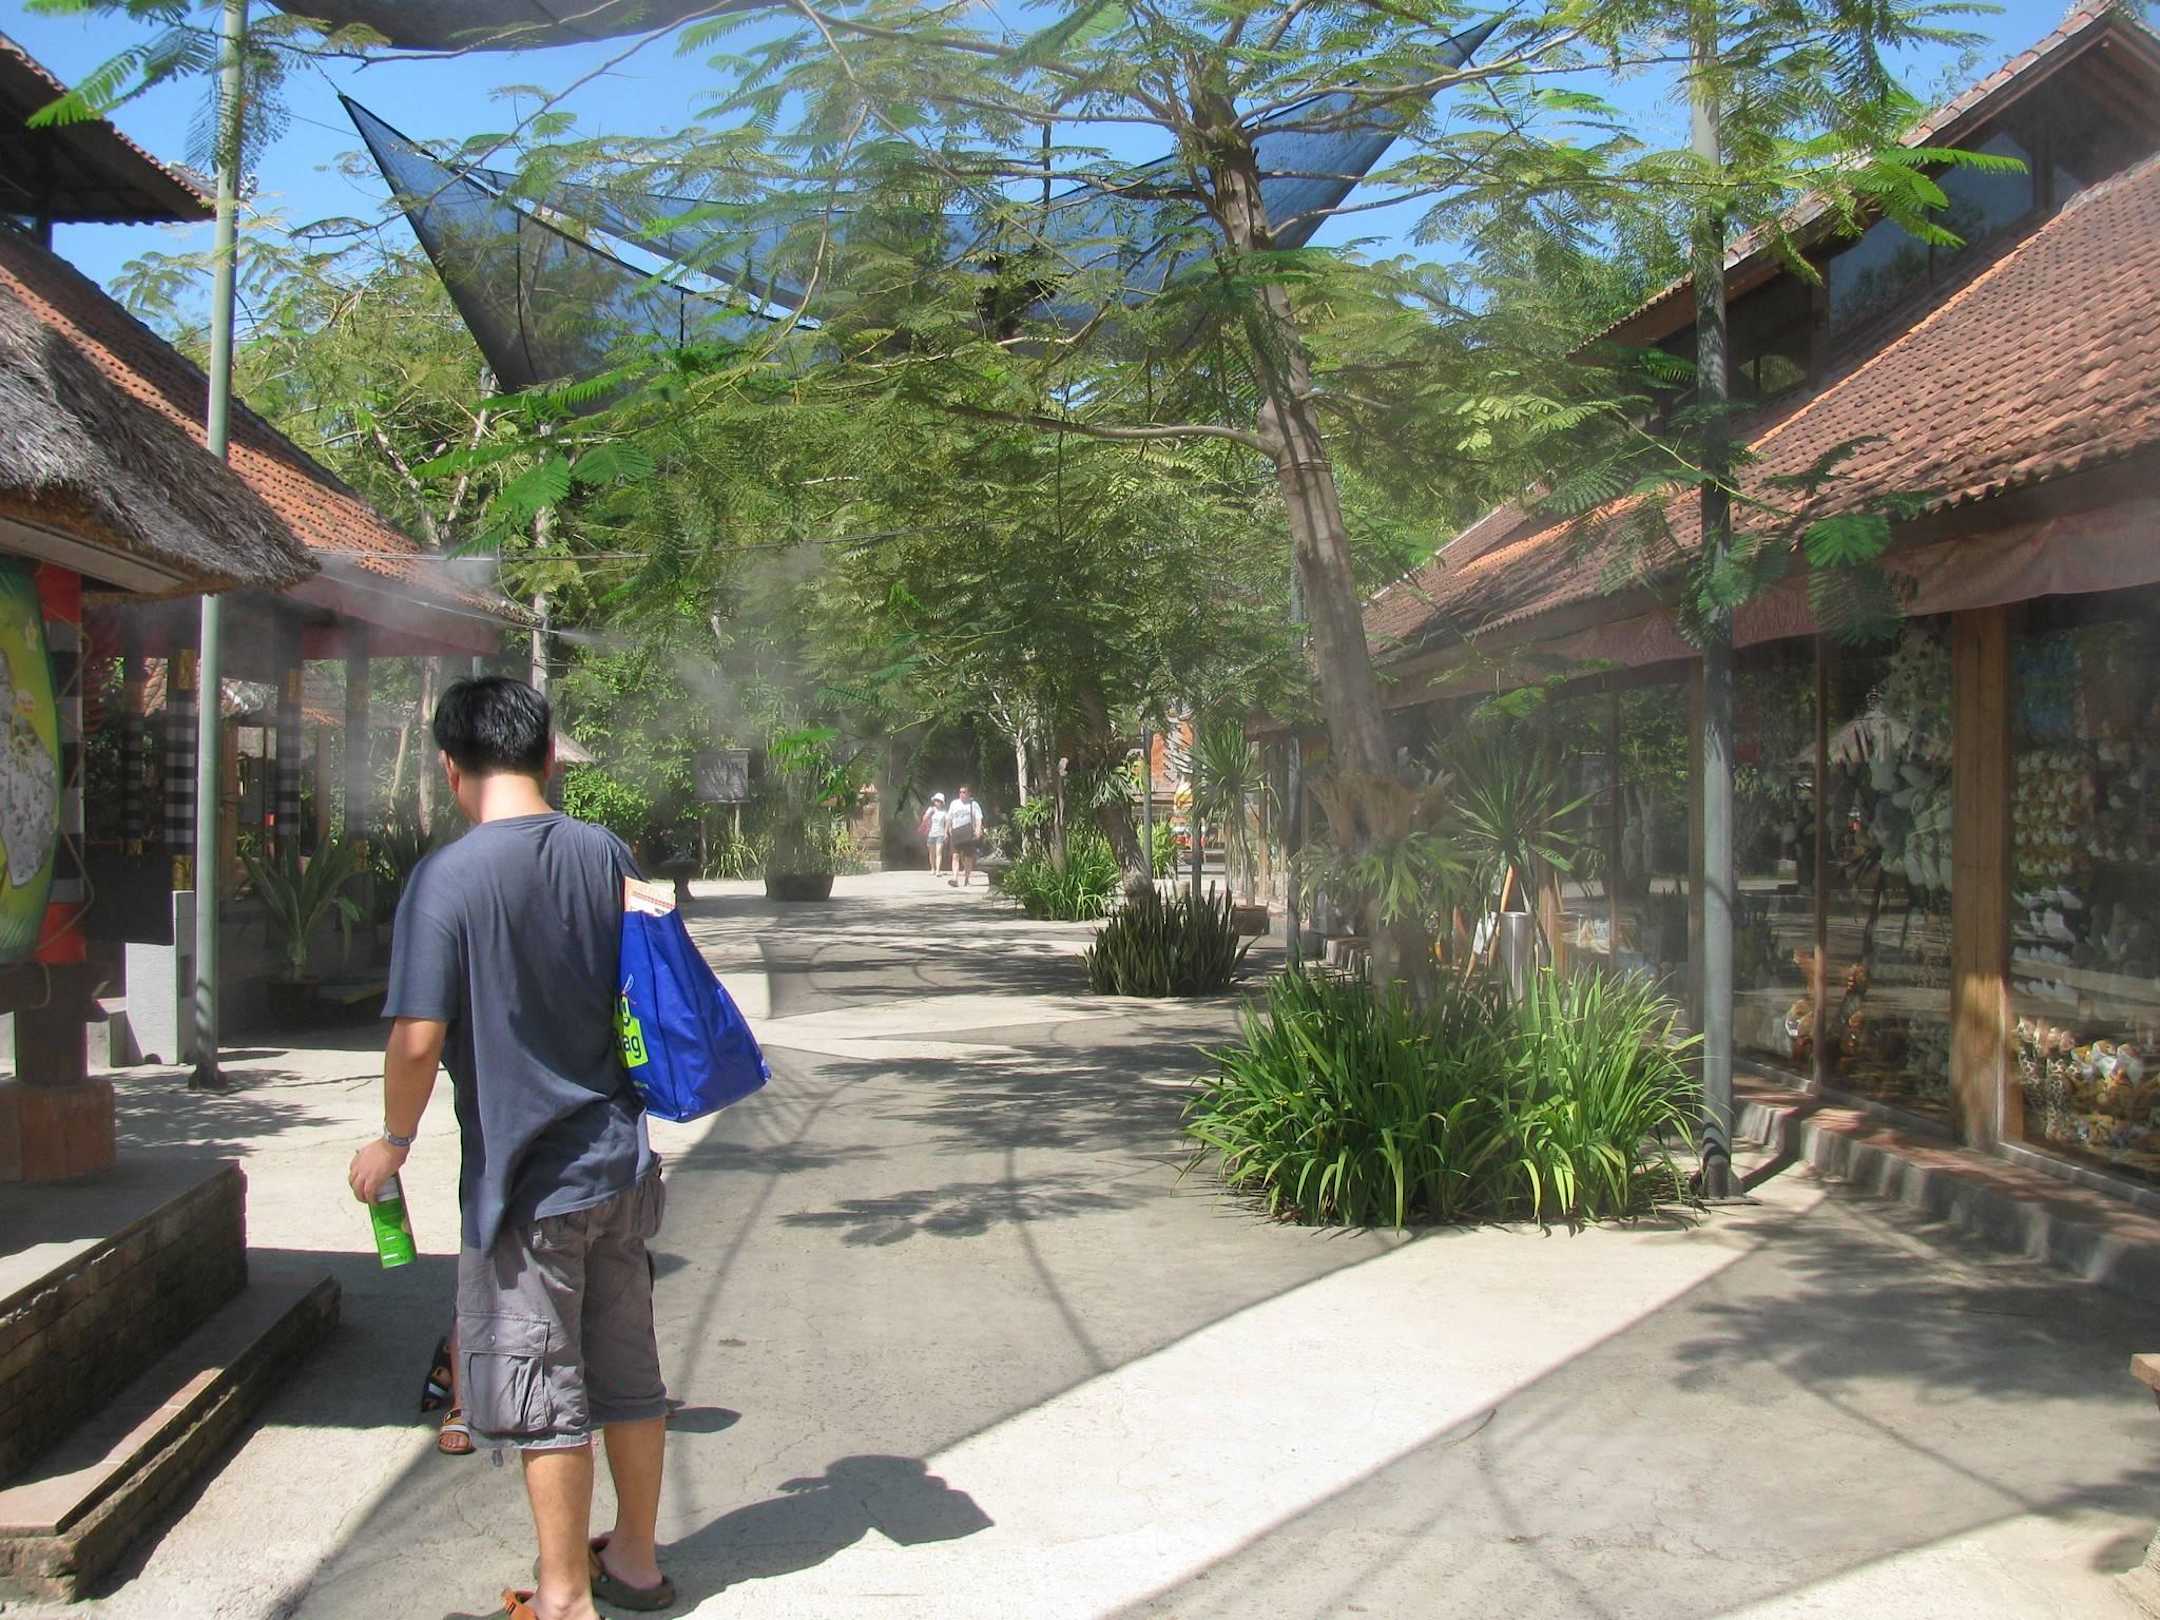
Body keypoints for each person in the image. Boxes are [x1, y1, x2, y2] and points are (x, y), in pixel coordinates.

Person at [347, 676, 675, 1620]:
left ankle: (563, 1597)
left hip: (527, 1186)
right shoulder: (602, 853)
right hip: (620, 1164)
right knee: (629, 1374)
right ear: (546, 758)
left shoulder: (446, 880)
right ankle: (637, 1562)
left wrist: (393, 1141)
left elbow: (417, 1039)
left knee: (546, 1391)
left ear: (451, 767)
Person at [945, 786, 986, 887]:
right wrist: (946, 831)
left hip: (968, 833)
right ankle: (955, 879)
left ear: (969, 793)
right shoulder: (954, 803)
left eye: (964, 792)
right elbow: (949, 818)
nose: (961, 794)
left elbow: (978, 818)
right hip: (956, 832)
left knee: (968, 857)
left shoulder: (973, 804)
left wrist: (978, 830)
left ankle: (967, 879)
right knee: (955, 856)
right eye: (960, 792)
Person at [921, 791, 949, 874]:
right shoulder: (931, 809)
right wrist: (929, 813)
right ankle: (932, 868)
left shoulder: (944, 812)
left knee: (938, 852)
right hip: (931, 833)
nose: (937, 802)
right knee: (931, 852)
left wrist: (946, 833)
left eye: (939, 801)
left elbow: (947, 823)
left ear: (942, 802)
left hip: (940, 833)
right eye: (936, 800)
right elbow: (924, 819)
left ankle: (938, 870)